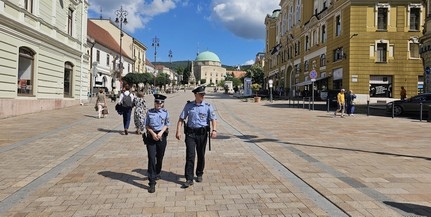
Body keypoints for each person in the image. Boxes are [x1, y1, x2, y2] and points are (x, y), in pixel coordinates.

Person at [175, 86, 217, 188]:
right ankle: (189, 178)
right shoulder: (189, 105)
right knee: (190, 155)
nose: (203, 96)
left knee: (201, 154)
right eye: (201, 94)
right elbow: (181, 119)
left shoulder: (208, 106)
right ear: (196, 95)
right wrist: (178, 131)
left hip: (202, 134)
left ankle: (199, 173)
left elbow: (213, 119)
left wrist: (214, 130)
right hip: (190, 134)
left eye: (203, 94)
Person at [143, 94, 170, 193]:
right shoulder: (149, 112)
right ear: (154, 102)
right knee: (151, 157)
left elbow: (167, 124)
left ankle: (158, 171)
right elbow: (147, 125)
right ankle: (152, 182)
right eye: (157, 102)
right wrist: (153, 133)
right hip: (151, 137)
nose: (159, 104)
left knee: (160, 157)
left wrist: (160, 133)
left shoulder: (165, 112)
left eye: (161, 102)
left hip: (161, 137)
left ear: (163, 104)